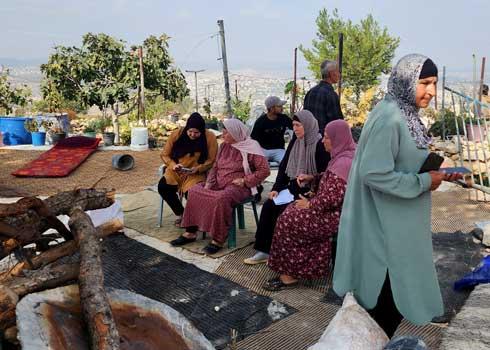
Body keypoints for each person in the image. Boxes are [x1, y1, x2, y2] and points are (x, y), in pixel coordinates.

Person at [332, 54, 463, 338]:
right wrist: (422, 181)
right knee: (382, 310)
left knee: (389, 309)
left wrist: (436, 167)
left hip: (399, 227)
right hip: (384, 232)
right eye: (424, 82)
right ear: (406, 81)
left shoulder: (405, 113)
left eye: (435, 83)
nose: (431, 91)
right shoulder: (390, 117)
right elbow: (373, 173)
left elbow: (403, 156)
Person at [263, 120, 356, 291]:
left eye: (327, 137)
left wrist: (310, 204)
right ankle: (291, 269)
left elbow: (333, 198)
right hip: (331, 211)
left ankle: (292, 273)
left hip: (338, 216)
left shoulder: (344, 162)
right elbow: (330, 179)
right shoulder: (342, 157)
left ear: (337, 139)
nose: (323, 141)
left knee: (289, 220)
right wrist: (313, 178)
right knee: (288, 212)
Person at [171, 118, 270, 255]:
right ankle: (191, 232)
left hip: (240, 186)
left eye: (226, 133)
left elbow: (264, 170)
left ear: (235, 133)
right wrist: (208, 184)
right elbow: (215, 167)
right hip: (219, 183)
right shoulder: (224, 146)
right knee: (194, 190)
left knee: (222, 198)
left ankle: (218, 240)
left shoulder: (251, 146)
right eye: (223, 133)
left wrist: (245, 180)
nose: (223, 136)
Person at [244, 109, 330, 265]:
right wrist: (276, 188)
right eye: (293, 125)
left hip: (311, 191)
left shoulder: (319, 145)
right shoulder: (295, 142)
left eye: (298, 125)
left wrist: (310, 180)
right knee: (269, 205)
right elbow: (284, 167)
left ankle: (279, 250)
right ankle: (264, 250)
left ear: (308, 125)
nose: (295, 129)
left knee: (284, 211)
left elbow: (325, 174)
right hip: (294, 186)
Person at [158, 113, 218, 225]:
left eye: (196, 132)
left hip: (195, 174)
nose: (193, 135)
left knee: (192, 194)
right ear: (187, 128)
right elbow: (165, 154)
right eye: (190, 131)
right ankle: (182, 214)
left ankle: (194, 221)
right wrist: (173, 165)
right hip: (175, 171)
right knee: (163, 187)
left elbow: (211, 159)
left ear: (202, 131)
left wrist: (199, 168)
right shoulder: (177, 134)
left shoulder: (210, 137)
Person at [304, 60, 344, 134]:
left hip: (310, 138)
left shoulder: (310, 92)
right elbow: (337, 123)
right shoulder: (330, 94)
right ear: (332, 74)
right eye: (338, 71)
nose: (339, 74)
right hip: (324, 140)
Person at [251, 96, 293, 165]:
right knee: (259, 165)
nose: (282, 108)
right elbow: (253, 139)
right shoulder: (260, 121)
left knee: (288, 163)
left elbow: (294, 127)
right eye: (279, 106)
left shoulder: (284, 118)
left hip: (279, 150)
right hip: (263, 150)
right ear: (272, 108)